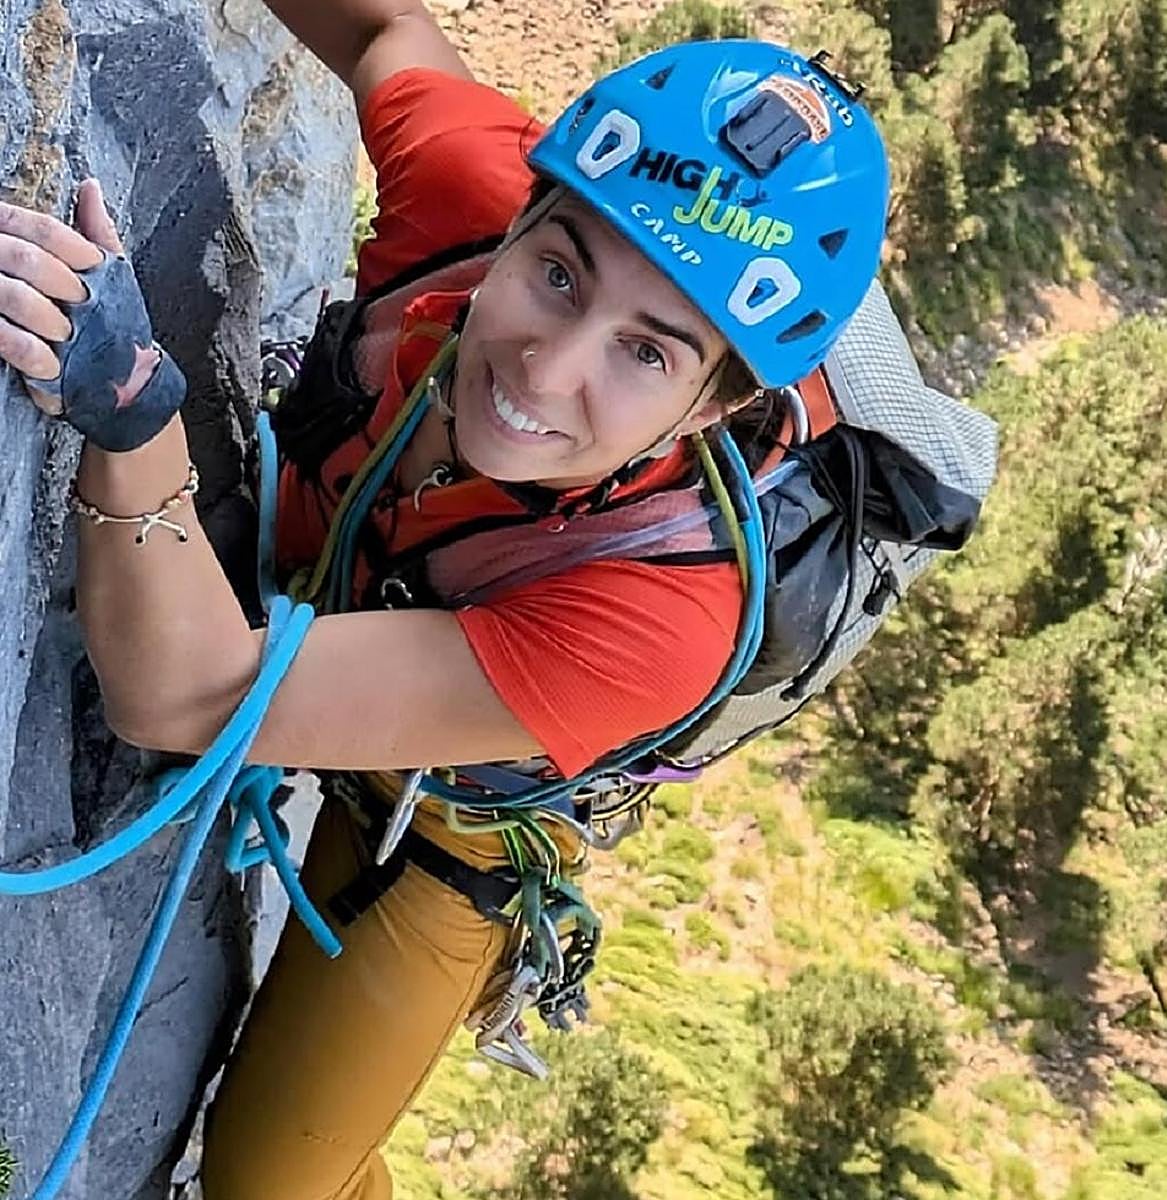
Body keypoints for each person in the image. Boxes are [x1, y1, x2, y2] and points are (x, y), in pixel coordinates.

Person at [0, 3, 888, 1196]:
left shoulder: (661, 616)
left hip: (443, 819)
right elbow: (383, 33)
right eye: (560, 273)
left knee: (274, 1181)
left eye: (649, 354)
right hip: (339, 590)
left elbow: (184, 694)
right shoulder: (465, 194)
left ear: (712, 411)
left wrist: (129, 407)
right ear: (518, 213)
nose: (547, 366)